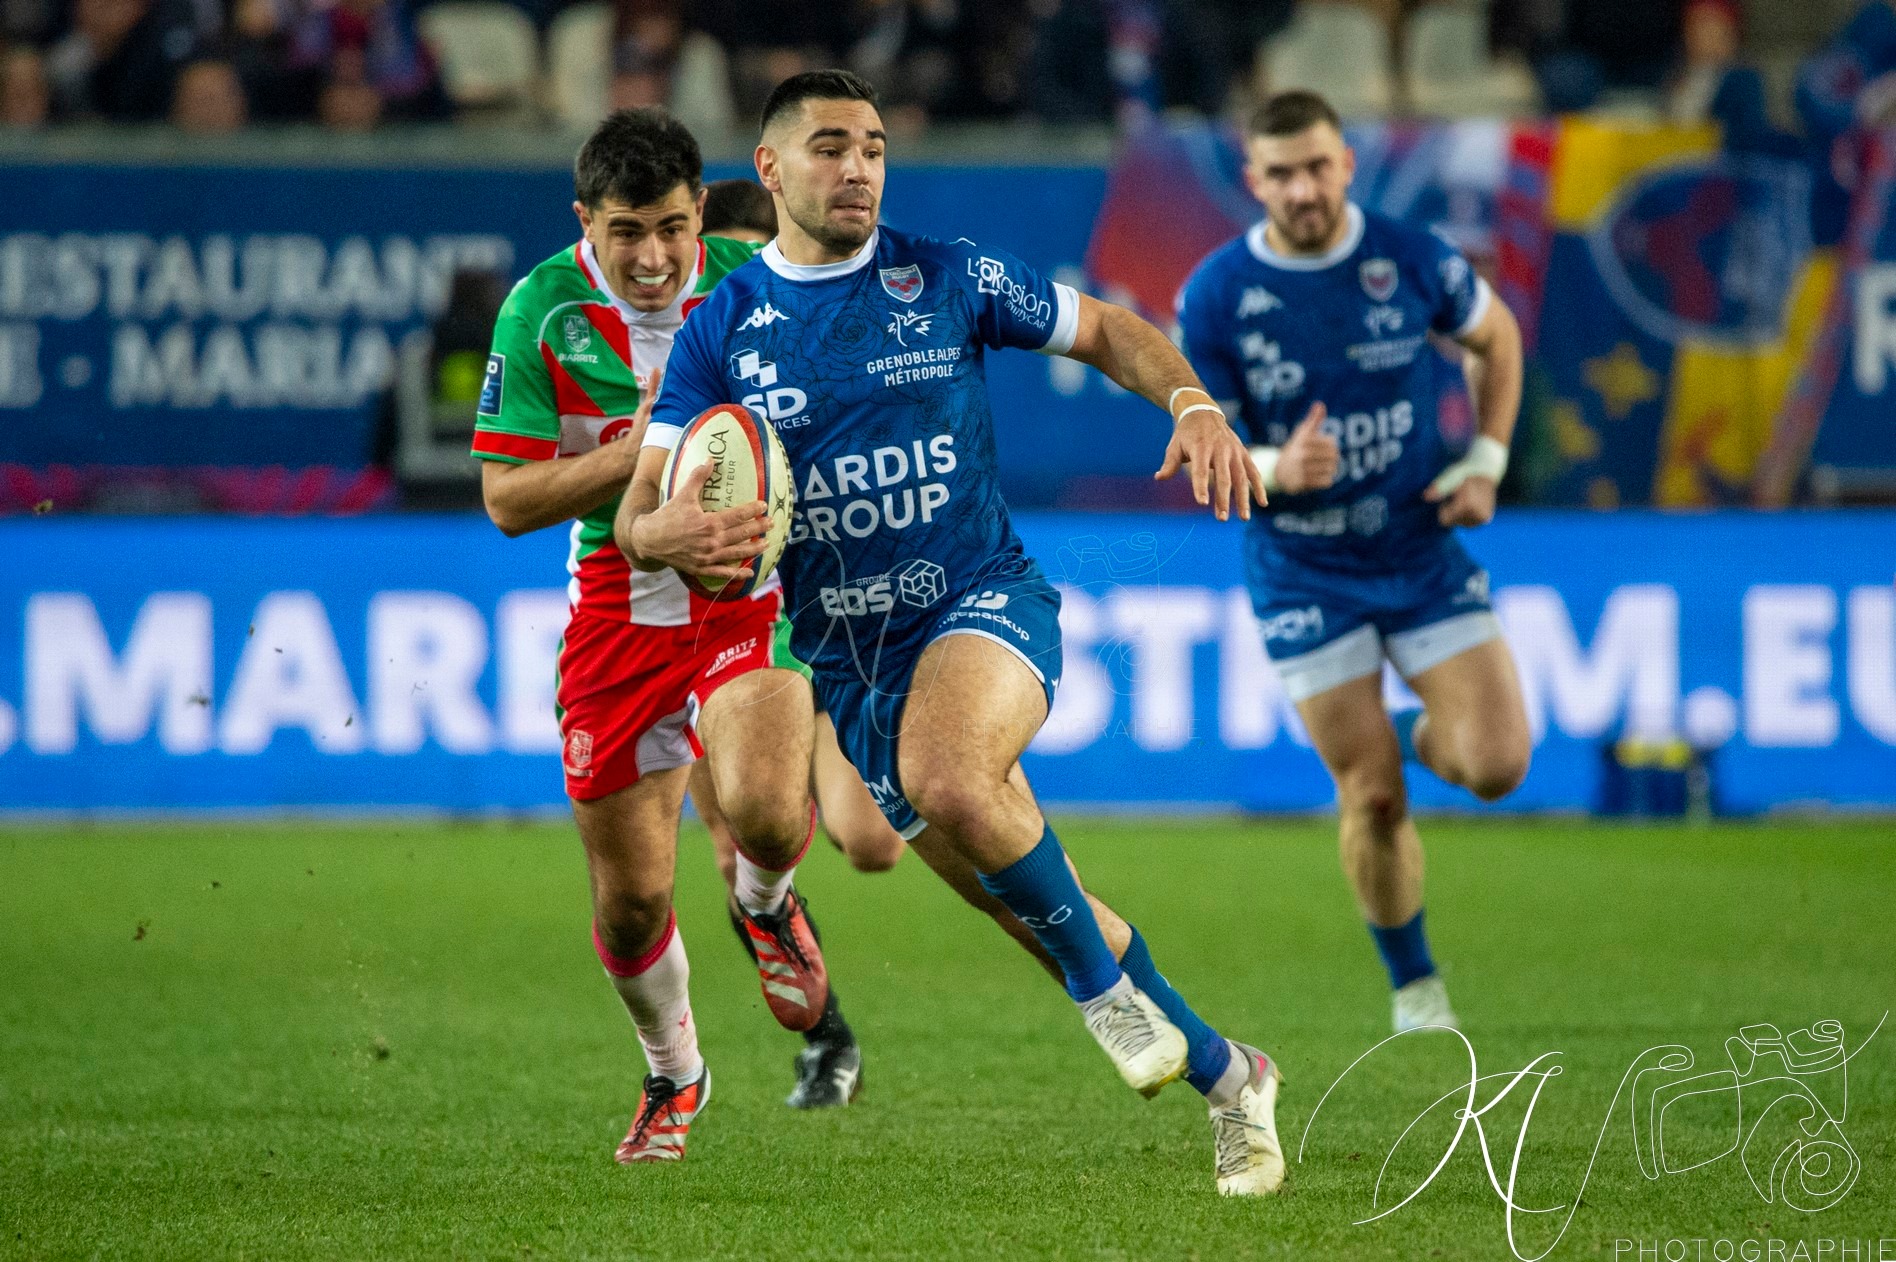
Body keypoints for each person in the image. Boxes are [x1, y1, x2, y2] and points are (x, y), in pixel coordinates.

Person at [619, 68, 1287, 1197]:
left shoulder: (946, 274)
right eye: (832, 147)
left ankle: (1106, 1002)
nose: (859, 168)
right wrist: (665, 530)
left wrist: (1193, 403)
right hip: (855, 668)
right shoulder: (719, 331)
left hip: (982, 600)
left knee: (952, 776)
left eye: (874, 147)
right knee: (1035, 904)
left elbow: (1107, 329)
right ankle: (1234, 1078)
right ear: (770, 168)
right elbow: (640, 514)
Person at [472, 108, 856, 1163]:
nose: (652, 258)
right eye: (626, 231)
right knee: (634, 903)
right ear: (584, 220)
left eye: (673, 228)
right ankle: (675, 1072)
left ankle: (766, 903)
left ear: (702, 215)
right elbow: (505, 499)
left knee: (767, 812)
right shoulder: (540, 311)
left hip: (743, 592)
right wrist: (646, 451)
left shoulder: (753, 281)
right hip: (618, 608)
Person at [1175, 90, 1530, 1036]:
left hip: (1417, 545)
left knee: (1498, 765)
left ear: (1347, 165)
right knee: (1370, 796)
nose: (1302, 190)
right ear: (1253, 181)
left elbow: (1496, 338)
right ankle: (1416, 989)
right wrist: (1271, 468)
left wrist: (1487, 460)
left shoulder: (1412, 258)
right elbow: (1201, 445)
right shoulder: (1215, 294)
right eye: (1280, 174)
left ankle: (1413, 731)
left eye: (1316, 168)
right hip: (1304, 569)